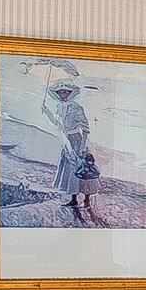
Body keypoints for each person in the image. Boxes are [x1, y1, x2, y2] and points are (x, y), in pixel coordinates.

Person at [48, 77, 100, 225]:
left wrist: (82, 147)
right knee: (70, 172)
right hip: (66, 141)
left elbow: (86, 129)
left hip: (77, 141)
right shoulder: (59, 107)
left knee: (83, 171)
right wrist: (47, 112)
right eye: (60, 92)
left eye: (65, 92)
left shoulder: (77, 108)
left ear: (70, 93)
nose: (63, 94)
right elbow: (59, 124)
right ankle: (73, 199)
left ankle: (87, 200)